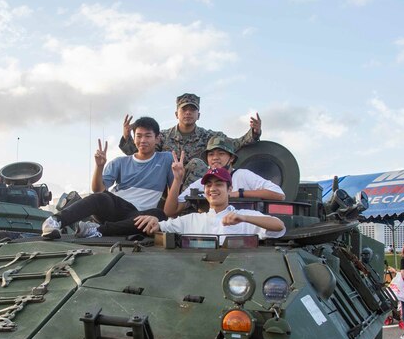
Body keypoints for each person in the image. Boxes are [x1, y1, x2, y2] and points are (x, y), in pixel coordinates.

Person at [41, 117, 172, 238]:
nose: (143, 140)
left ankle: (96, 231)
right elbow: (98, 189)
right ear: (134, 137)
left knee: (159, 215)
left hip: (138, 215)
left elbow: (173, 194)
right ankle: (54, 221)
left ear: (157, 138)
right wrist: (99, 167)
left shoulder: (167, 159)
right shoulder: (120, 162)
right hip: (116, 206)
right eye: (139, 136)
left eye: (148, 136)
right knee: (101, 197)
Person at [119, 93, 261, 188]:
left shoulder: (207, 136)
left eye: (192, 110)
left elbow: (233, 144)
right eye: (184, 109)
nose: (188, 113)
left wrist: (254, 133)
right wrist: (127, 138)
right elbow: (143, 156)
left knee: (196, 164)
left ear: (198, 115)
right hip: (166, 184)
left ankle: (186, 204)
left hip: (193, 187)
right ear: (176, 114)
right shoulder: (162, 136)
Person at [132, 167, 285, 240]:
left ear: (230, 189)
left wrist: (244, 218)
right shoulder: (192, 220)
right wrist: (154, 221)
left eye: (219, 184)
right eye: (209, 185)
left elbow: (279, 226)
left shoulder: (244, 216)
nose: (213, 189)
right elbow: (161, 226)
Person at [162, 136, 284, 217]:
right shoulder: (202, 183)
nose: (215, 158)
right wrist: (177, 180)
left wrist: (239, 194)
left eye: (221, 153)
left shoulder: (242, 175)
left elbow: (279, 194)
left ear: (231, 158)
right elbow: (170, 211)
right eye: (211, 154)